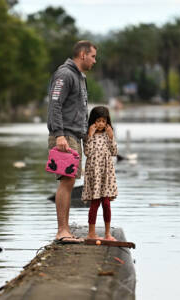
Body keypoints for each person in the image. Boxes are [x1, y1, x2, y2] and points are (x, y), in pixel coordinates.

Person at [47, 40, 97, 243]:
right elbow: (55, 105)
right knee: (66, 183)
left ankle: (65, 230)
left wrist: (86, 137)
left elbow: (78, 110)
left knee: (70, 182)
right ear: (83, 55)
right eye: (93, 56)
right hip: (64, 136)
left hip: (74, 136)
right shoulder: (65, 74)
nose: (95, 60)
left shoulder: (79, 77)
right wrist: (58, 134)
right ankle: (62, 231)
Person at [81, 106, 118, 241]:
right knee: (95, 203)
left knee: (106, 203)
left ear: (107, 122)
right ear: (93, 121)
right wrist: (90, 136)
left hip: (106, 174)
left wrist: (111, 137)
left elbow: (114, 152)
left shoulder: (108, 135)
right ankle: (91, 233)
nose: (101, 124)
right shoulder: (88, 136)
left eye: (103, 121)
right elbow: (87, 153)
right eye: (98, 121)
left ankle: (108, 233)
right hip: (94, 173)